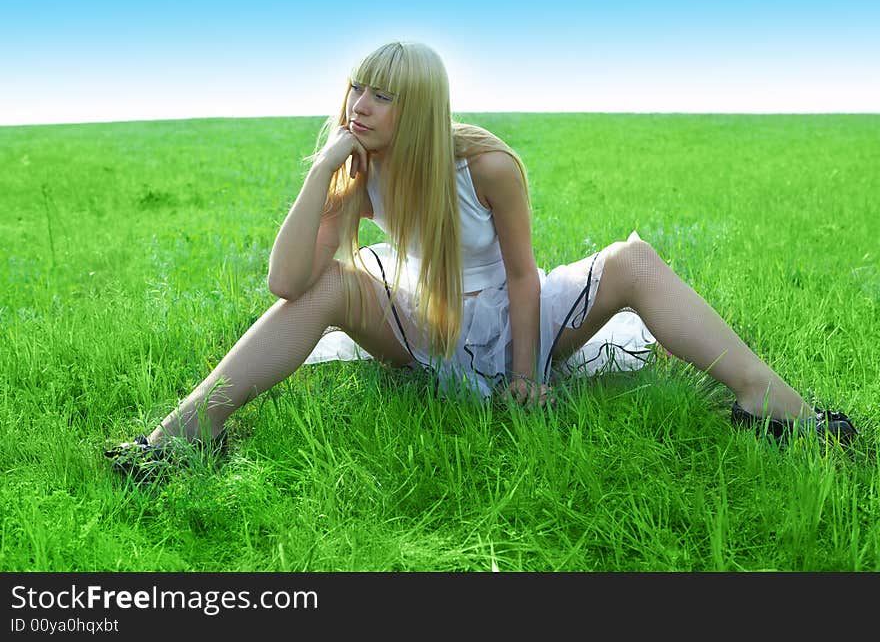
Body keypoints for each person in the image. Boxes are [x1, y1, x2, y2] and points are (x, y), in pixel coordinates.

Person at [106, 41, 858, 476]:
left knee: (633, 258)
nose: (361, 104)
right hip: (423, 320)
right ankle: (186, 434)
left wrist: (526, 376)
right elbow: (285, 283)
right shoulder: (357, 168)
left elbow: (527, 275)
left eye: (384, 96)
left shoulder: (487, 164)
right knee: (334, 282)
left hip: (511, 308)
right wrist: (322, 174)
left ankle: (775, 405)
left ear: (422, 107)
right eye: (357, 88)